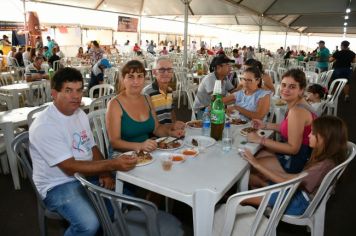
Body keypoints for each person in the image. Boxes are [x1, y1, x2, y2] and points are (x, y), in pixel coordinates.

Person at [29, 67, 138, 236]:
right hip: (57, 185)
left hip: (83, 176)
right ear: (54, 94)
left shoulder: (79, 113)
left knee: (125, 196)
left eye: (79, 90)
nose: (76, 96)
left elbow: (91, 147)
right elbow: (70, 167)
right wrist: (111, 164)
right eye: (68, 90)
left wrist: (105, 172)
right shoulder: (45, 126)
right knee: (89, 223)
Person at [242, 115, 347, 216]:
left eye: (313, 133)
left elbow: (286, 182)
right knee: (258, 178)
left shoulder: (322, 167)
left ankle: (233, 201)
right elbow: (296, 178)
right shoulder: (328, 160)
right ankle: (255, 205)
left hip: (300, 203)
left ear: (325, 139)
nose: (309, 135)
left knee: (241, 198)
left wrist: (256, 163)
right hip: (300, 192)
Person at [106, 60, 185, 157]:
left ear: (144, 78)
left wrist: (170, 133)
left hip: (146, 152)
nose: (136, 81)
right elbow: (114, 142)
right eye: (131, 77)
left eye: (140, 76)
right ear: (123, 79)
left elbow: (157, 128)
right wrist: (140, 146)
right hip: (121, 156)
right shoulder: (114, 104)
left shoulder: (147, 98)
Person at [247, 69, 317, 174]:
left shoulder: (297, 111)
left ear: (301, 90)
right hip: (304, 155)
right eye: (283, 85)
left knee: (250, 168)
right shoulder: (298, 104)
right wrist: (265, 125)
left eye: (292, 87)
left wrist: (259, 140)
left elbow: (293, 149)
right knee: (258, 154)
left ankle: (270, 186)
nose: (286, 89)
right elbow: (290, 128)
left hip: (299, 161)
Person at [143, 56, 185, 128]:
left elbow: (171, 112)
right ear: (154, 72)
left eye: (169, 70)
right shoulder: (147, 93)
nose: (166, 73)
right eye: (162, 70)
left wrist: (175, 124)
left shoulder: (170, 90)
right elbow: (145, 122)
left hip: (168, 134)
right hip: (154, 135)